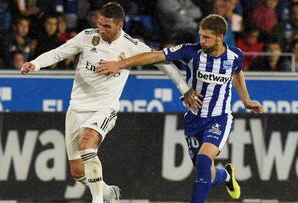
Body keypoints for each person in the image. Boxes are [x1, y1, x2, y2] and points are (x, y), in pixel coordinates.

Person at [20, 2, 201, 203]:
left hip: (104, 109)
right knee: (78, 171)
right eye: (100, 24)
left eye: (107, 26)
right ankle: (107, 193)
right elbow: (58, 52)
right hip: (76, 108)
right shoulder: (87, 37)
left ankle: (97, 201)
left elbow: (164, 64)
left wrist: (184, 90)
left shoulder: (132, 46)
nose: (102, 30)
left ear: (120, 26)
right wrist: (35, 63)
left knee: (87, 144)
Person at [97, 14, 264, 203]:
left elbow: (237, 72)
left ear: (220, 37)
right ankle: (225, 176)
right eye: (200, 35)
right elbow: (155, 56)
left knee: (203, 160)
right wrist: (119, 64)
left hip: (219, 118)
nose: (201, 40)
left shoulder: (235, 56)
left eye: (207, 37)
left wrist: (246, 99)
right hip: (193, 119)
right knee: (206, 173)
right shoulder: (191, 52)